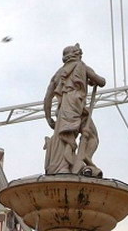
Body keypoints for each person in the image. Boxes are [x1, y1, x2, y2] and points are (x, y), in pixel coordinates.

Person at [43, 44, 106, 176]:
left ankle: (76, 162)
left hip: (64, 108)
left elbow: (48, 97)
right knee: (91, 136)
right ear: (76, 55)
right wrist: (91, 79)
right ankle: (74, 163)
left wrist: (48, 118)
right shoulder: (82, 66)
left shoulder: (59, 73)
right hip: (76, 105)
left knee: (67, 135)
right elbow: (102, 81)